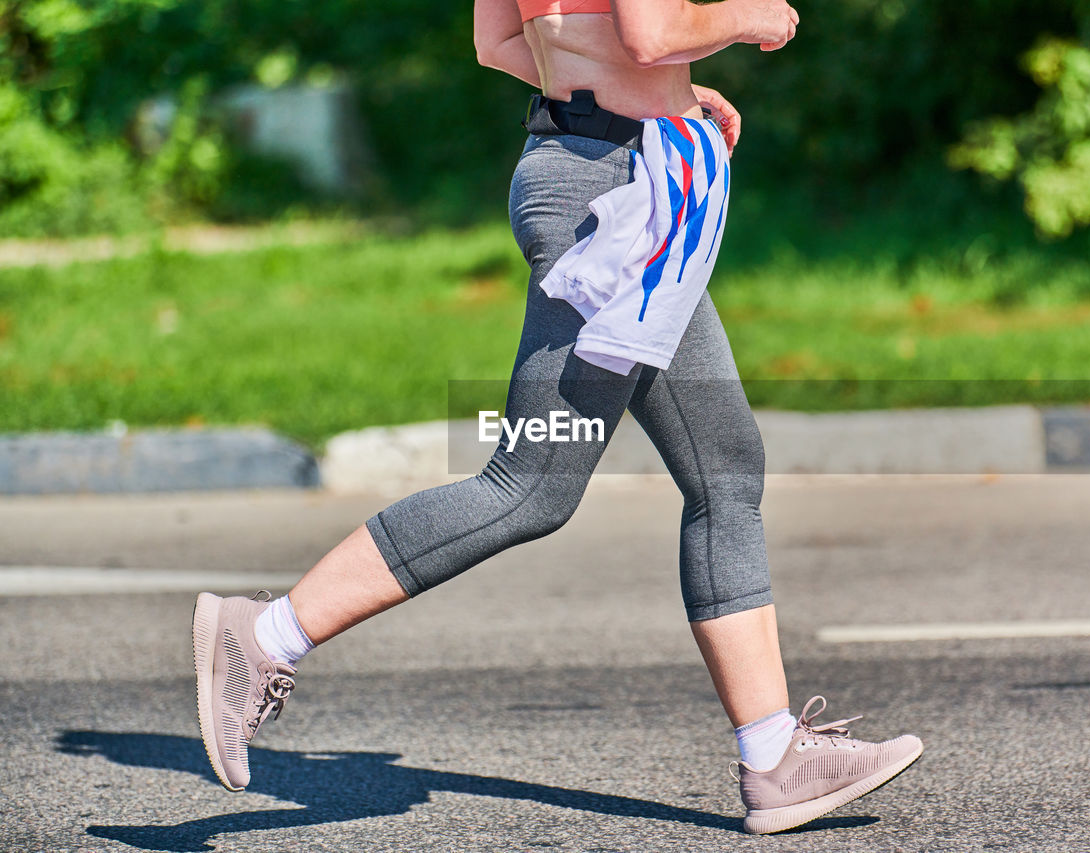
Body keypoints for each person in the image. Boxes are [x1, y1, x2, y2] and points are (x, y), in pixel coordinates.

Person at [191, 0, 922, 835]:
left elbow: (498, 40)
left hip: (589, 166)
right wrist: (748, 17)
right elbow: (650, 32)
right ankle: (267, 634)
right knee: (528, 485)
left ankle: (774, 756)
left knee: (723, 466)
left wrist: (656, 90)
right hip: (610, 196)